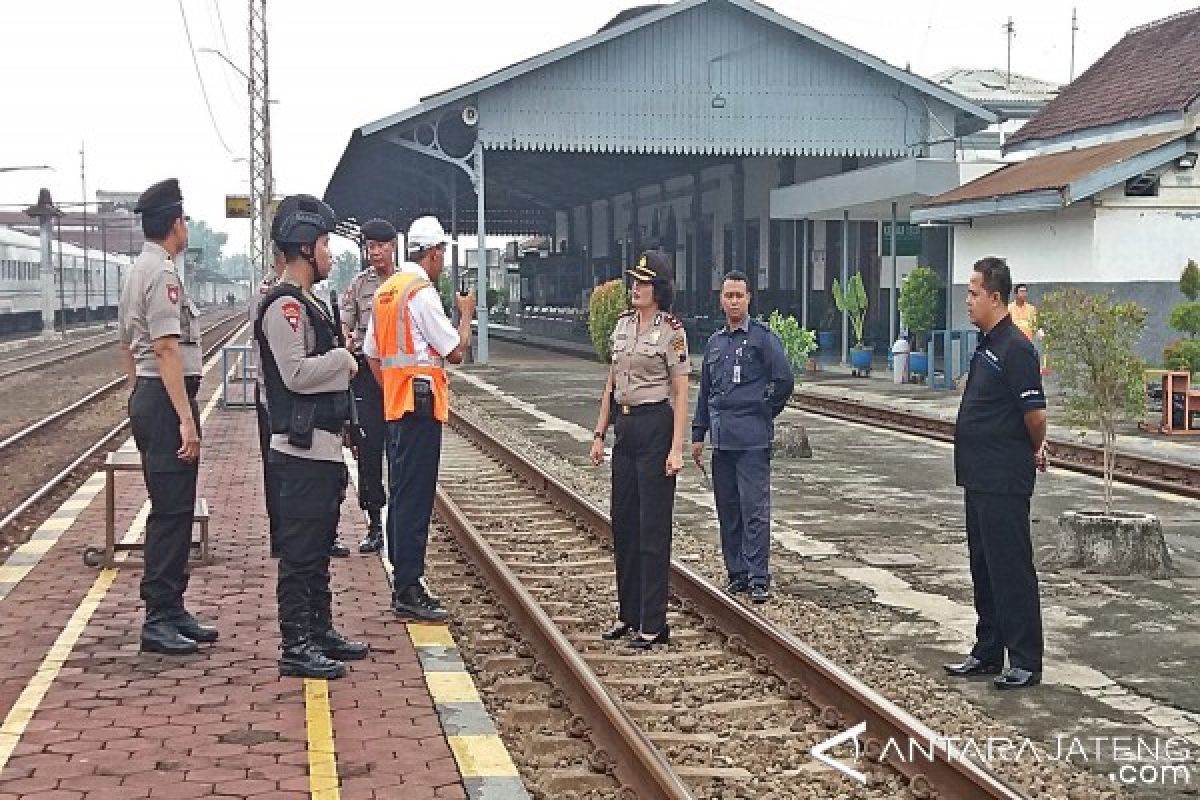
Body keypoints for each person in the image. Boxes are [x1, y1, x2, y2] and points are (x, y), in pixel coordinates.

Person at [255, 194, 369, 679]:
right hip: (298, 451)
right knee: (300, 552)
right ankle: (296, 643)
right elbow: (296, 374)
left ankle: (320, 630)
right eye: (324, 244)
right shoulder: (285, 306)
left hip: (321, 447)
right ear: (304, 247)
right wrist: (343, 361)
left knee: (319, 547)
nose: (330, 254)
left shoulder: (311, 304)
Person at [117, 178, 217, 655]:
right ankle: (158, 616)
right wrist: (185, 420)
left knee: (174, 507)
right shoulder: (162, 273)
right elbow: (165, 349)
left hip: (152, 396)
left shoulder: (138, 269)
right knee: (171, 511)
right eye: (185, 220)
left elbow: (126, 346)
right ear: (175, 223)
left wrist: (137, 391)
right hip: (165, 401)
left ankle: (172, 608)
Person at [944, 256, 1047, 691]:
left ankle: (1025, 659)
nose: (967, 301)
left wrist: (1035, 447)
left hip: (1004, 478)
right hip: (979, 476)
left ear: (996, 297)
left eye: (973, 293)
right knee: (984, 567)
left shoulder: (1016, 349)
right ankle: (989, 650)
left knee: (1010, 568)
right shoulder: (987, 344)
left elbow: (1035, 415)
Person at [364, 215, 475, 621]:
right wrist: (466, 315)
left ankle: (403, 578)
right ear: (433, 253)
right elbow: (455, 351)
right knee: (416, 498)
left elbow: (372, 353)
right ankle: (409, 588)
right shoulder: (420, 293)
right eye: (442, 251)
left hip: (397, 408)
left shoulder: (386, 291)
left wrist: (393, 388)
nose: (442, 259)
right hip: (421, 410)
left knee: (401, 494)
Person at [589, 252, 689, 650]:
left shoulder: (672, 331)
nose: (636, 288)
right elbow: (611, 383)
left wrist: (676, 447)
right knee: (624, 523)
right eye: (634, 281)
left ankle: (653, 622)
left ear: (658, 289)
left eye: (643, 283)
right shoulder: (623, 326)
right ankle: (628, 614)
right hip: (626, 428)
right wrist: (600, 433)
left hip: (655, 426)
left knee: (653, 528)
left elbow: (680, 391)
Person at [691, 270, 793, 604]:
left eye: (739, 295)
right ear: (721, 300)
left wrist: (764, 411)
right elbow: (705, 392)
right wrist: (698, 433)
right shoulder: (715, 343)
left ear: (749, 298)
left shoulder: (763, 339)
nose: (734, 301)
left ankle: (759, 577)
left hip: (752, 441)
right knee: (728, 510)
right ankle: (737, 573)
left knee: (755, 511)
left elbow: (784, 381)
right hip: (722, 441)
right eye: (728, 296)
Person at [340, 219, 395, 554]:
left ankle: (399, 521)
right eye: (370, 246)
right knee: (369, 448)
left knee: (400, 450)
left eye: (380, 245)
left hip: (398, 374)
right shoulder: (359, 285)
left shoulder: (407, 282)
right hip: (366, 375)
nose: (375, 252)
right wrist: (345, 337)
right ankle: (375, 523)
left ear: (393, 247)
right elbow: (345, 320)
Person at [250, 242, 287, 557]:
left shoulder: (299, 289)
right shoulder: (269, 293)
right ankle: (282, 536)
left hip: (287, 392)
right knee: (277, 465)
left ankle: (297, 535)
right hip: (273, 394)